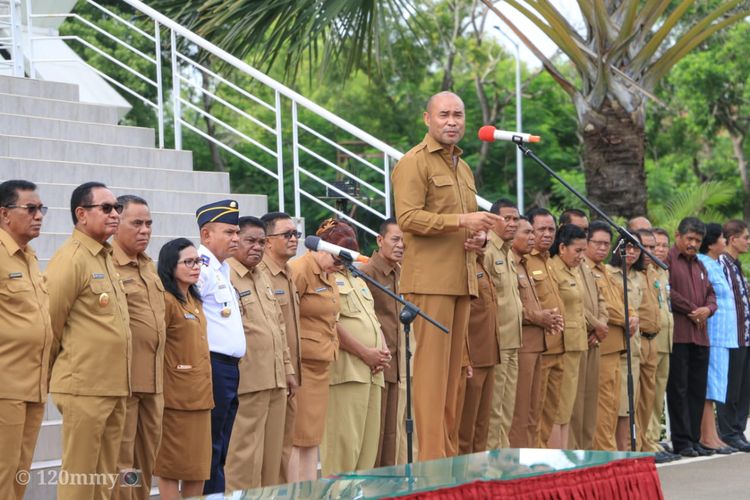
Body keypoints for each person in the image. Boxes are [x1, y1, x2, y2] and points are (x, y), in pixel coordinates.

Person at [391, 91, 499, 459]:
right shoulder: (413, 163)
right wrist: (461, 221)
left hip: (462, 280)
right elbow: (407, 218)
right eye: (444, 115)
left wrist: (478, 237)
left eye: (458, 115)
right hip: (430, 283)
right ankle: (431, 463)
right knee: (431, 379)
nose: (452, 121)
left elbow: (464, 227)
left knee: (454, 382)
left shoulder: (463, 168)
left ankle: (449, 460)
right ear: (428, 119)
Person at [46, 182, 131, 500]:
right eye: (106, 208)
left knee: (104, 480)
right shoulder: (71, 258)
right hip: (84, 387)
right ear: (81, 214)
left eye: (117, 208)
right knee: (80, 479)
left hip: (113, 386)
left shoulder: (105, 256)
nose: (114, 214)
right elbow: (50, 324)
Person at [225, 216, 294, 489]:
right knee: (244, 458)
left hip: (276, 380)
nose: (257, 247)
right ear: (235, 240)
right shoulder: (225, 275)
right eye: (249, 241)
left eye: (261, 242)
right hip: (248, 381)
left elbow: (278, 325)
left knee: (272, 458)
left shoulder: (263, 275)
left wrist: (288, 369)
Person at [321, 223, 389, 475]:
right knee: (343, 449)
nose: (346, 253)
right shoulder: (326, 279)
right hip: (348, 372)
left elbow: (372, 319)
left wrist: (381, 350)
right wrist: (366, 353)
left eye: (350, 246)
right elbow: (332, 324)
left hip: (372, 372)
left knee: (367, 450)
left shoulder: (358, 278)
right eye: (340, 247)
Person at [0, 180, 53, 500]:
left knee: (20, 471)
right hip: (5, 385)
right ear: (5, 215)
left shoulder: (29, 256)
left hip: (33, 383)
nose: (39, 216)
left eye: (41, 209)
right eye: (30, 209)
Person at [112, 195, 166, 500]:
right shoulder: (109, 264)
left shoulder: (148, 266)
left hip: (153, 382)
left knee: (145, 462)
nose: (145, 230)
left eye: (148, 223)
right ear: (116, 223)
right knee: (123, 463)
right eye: (136, 223)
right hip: (125, 382)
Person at [154, 238, 213, 500]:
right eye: (188, 262)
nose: (195, 266)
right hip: (176, 398)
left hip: (201, 394)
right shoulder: (166, 300)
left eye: (197, 261)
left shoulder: (194, 298)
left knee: (198, 467)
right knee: (171, 466)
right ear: (170, 265)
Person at [195, 199, 245, 494]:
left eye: (237, 232)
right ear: (206, 235)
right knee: (212, 444)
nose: (235, 238)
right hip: (213, 365)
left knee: (222, 443)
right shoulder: (200, 268)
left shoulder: (221, 268)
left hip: (228, 368)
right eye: (229, 232)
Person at [289, 218, 343, 480]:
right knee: (297, 438)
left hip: (321, 362)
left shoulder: (327, 271)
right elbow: (286, 316)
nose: (339, 266)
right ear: (322, 248)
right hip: (302, 365)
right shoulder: (299, 269)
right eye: (336, 259)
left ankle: (308, 491)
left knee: (311, 438)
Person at [667, 217, 717, 458]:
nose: (694, 244)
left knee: (697, 390)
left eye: (698, 240)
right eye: (690, 239)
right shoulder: (667, 260)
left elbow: (711, 295)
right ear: (678, 236)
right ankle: (682, 441)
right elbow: (667, 292)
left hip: (700, 336)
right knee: (679, 389)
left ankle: (694, 439)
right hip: (679, 335)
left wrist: (707, 309)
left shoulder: (700, 265)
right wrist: (692, 310)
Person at [258, 212, 303, 480]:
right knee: (265, 453)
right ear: (267, 241)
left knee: (284, 450)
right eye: (286, 234)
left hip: (290, 376)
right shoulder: (262, 274)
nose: (294, 239)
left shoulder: (288, 272)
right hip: (269, 376)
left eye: (295, 234)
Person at [359, 218, 404, 466]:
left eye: (404, 241)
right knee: (375, 437)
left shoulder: (401, 271)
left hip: (399, 365)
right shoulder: (367, 274)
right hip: (376, 364)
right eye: (395, 239)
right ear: (380, 240)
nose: (401, 246)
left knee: (392, 435)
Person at [508, 217, 556, 448]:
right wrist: (539, 317)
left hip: (538, 344)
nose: (532, 237)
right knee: (519, 409)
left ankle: (530, 458)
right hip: (523, 345)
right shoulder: (509, 263)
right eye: (527, 233)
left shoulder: (525, 264)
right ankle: (518, 462)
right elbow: (512, 307)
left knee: (533, 410)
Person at [591, 224, 639, 451]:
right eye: (597, 243)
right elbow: (606, 306)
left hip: (617, 346)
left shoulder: (607, 272)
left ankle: (611, 451)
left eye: (605, 244)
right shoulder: (586, 269)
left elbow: (624, 300)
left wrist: (633, 317)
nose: (602, 248)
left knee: (612, 405)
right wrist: (625, 319)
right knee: (602, 406)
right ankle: (605, 453)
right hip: (602, 345)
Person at [485, 198, 523, 449]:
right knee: (494, 409)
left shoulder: (507, 252)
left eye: (515, 219)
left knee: (507, 408)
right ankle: (491, 466)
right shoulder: (488, 251)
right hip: (497, 342)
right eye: (506, 218)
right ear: (493, 220)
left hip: (513, 341)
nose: (511, 224)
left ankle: (503, 460)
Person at [696, 223, 737, 454]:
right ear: (711, 242)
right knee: (709, 387)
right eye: (722, 238)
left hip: (723, 335)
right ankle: (707, 435)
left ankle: (714, 435)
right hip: (712, 333)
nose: (725, 242)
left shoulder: (716, 264)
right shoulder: (704, 263)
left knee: (717, 386)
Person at [526, 208, 565, 447]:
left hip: (559, 347)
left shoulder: (549, 260)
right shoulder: (524, 260)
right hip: (539, 348)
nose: (547, 234)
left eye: (551, 229)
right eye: (541, 229)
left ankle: (544, 457)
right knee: (534, 412)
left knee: (551, 412)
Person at [548, 224, 588, 449]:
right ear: (562, 247)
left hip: (576, 343)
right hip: (561, 343)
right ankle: (558, 453)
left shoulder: (573, 269)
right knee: (558, 406)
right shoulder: (553, 268)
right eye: (578, 251)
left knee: (568, 405)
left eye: (583, 251)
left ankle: (564, 451)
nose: (581, 256)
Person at [458, 251, 500, 453]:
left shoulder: (481, 265)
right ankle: (464, 478)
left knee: (483, 425)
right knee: (466, 428)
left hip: (489, 354)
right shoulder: (463, 267)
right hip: (472, 356)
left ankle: (479, 475)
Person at [571, 219, 607, 450]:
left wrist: (601, 324)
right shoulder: (562, 263)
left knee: (589, 402)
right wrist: (596, 325)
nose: (584, 234)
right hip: (578, 338)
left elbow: (600, 298)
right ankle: (574, 453)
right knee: (573, 406)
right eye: (581, 230)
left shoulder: (585, 264)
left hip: (594, 340)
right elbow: (573, 304)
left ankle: (586, 453)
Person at [644, 228, 679, 460]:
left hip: (666, 339)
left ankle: (655, 438)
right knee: (648, 394)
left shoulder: (663, 272)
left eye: (665, 245)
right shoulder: (645, 272)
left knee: (659, 394)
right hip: (651, 339)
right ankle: (647, 439)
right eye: (656, 245)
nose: (661, 250)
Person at [716, 220, 750, 452]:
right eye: (745, 237)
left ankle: (738, 429)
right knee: (731, 385)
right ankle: (728, 431)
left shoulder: (736, 265)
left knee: (744, 385)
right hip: (731, 336)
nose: (748, 242)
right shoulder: (721, 263)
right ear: (732, 239)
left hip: (745, 335)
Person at [633, 229, 663, 453]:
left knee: (648, 397)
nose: (649, 252)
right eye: (645, 246)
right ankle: (637, 444)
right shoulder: (627, 273)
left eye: (653, 247)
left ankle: (648, 443)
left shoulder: (654, 272)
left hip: (654, 340)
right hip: (637, 339)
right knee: (633, 398)